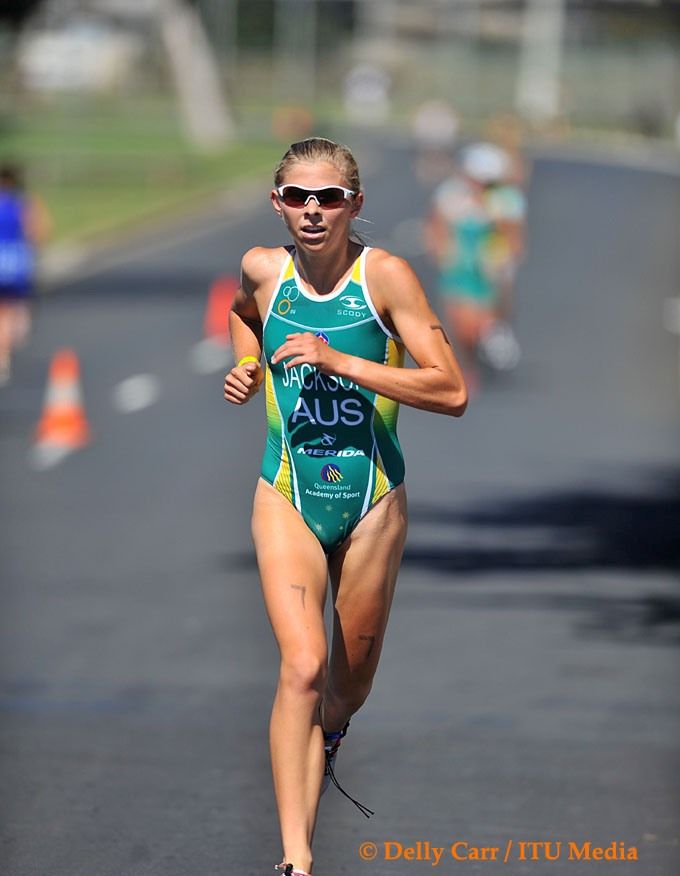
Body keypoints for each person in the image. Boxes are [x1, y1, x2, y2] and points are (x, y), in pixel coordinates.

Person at [223, 137, 467, 876]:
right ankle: (296, 857)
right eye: (298, 196)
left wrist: (343, 361)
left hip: (370, 505)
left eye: (329, 197)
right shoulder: (263, 270)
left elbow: (451, 389)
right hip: (288, 492)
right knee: (302, 664)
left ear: (354, 204)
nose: (313, 211)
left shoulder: (384, 277)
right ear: (277, 203)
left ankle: (328, 733)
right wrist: (246, 363)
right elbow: (244, 315)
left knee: (347, 687)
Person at [425, 141, 524, 390]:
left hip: (488, 269)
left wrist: (504, 261)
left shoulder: (505, 200)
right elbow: (436, 225)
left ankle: (492, 333)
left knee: (483, 318)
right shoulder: (451, 195)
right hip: (459, 267)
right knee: (460, 323)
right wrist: (442, 252)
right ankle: (468, 365)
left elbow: (513, 237)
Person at [0, 163, 52, 385]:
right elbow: (40, 231)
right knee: (14, 313)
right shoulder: (23, 202)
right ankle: (3, 354)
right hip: (15, 264)